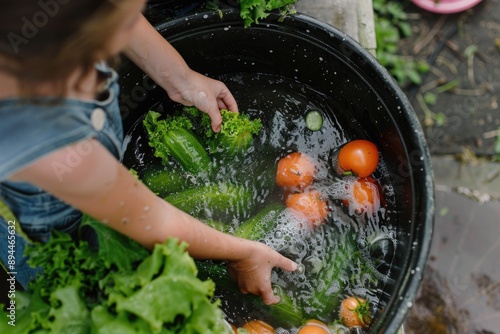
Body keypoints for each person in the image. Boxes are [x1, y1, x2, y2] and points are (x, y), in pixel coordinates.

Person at [0, 0, 297, 306]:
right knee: (59, 281)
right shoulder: (32, 124)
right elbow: (150, 219)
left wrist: (182, 78)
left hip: (83, 161)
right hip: (36, 219)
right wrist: (245, 252)